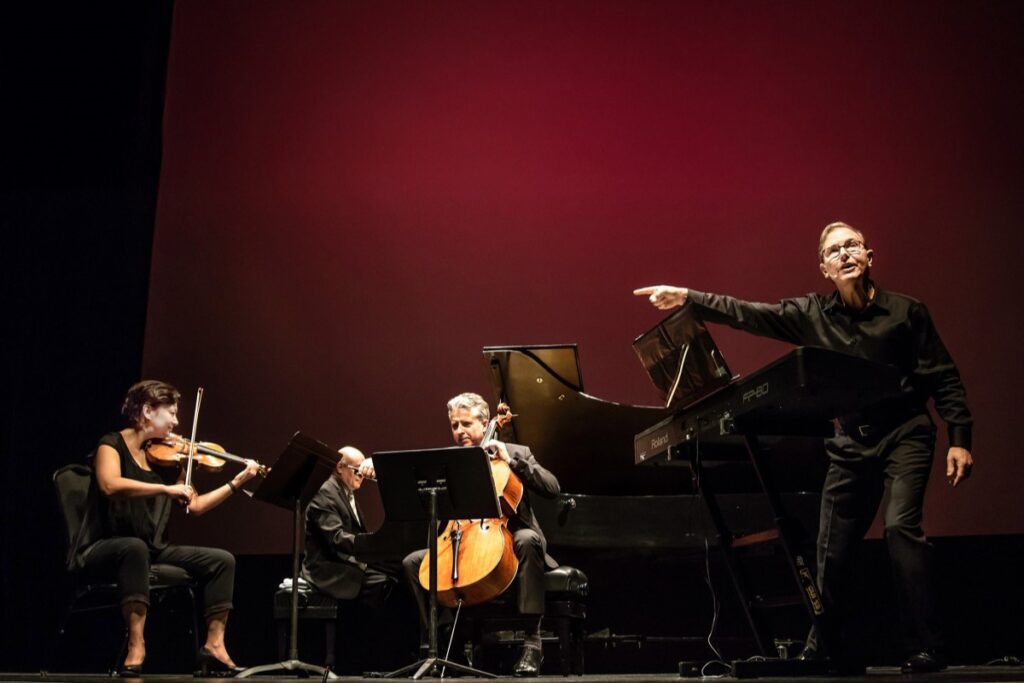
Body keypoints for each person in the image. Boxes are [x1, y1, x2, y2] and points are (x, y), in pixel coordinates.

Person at [634, 221, 973, 674]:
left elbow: (943, 376)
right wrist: (690, 298)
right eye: (835, 251)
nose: (845, 254)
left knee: (901, 529)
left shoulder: (906, 312)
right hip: (851, 440)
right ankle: (822, 647)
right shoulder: (812, 313)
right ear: (824, 268)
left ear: (870, 256)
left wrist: (960, 439)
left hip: (905, 432)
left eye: (853, 245)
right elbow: (747, 312)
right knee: (832, 549)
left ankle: (927, 647)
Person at [72, 380, 261, 677]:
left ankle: (214, 646)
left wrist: (235, 483)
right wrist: (165, 490)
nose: (175, 422)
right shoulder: (111, 444)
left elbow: (195, 506)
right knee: (133, 548)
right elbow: (110, 484)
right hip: (107, 545)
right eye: (170, 413)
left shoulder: (167, 459)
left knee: (221, 560)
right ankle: (136, 643)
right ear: (147, 411)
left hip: (153, 548)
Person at [393, 392, 561, 677]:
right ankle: (447, 645)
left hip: (510, 539)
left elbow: (552, 487)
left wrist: (512, 461)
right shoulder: (451, 464)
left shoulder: (517, 452)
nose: (459, 432)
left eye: (466, 424)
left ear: (485, 424)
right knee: (414, 563)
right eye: (454, 426)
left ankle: (532, 642)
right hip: (463, 541)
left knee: (527, 539)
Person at [301, 445, 397, 605]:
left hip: (348, 562)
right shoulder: (324, 491)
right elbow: (336, 538)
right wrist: (370, 543)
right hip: (329, 569)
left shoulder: (345, 493)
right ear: (340, 467)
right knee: (384, 582)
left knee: (399, 570)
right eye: (357, 469)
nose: (362, 475)